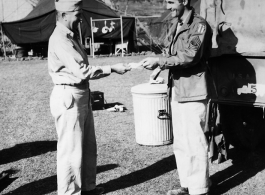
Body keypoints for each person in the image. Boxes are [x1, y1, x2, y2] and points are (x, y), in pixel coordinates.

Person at [48, 0, 130, 194]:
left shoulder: (70, 35)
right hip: (69, 96)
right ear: (64, 15)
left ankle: (87, 187)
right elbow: (82, 71)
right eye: (77, 15)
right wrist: (113, 68)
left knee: (87, 148)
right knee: (71, 151)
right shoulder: (60, 38)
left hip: (81, 94)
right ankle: (69, 192)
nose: (80, 19)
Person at [140, 0, 212, 195]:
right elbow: (170, 52)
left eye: (171, 2)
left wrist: (161, 61)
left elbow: (190, 55)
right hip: (177, 90)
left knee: (195, 142)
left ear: (185, 1)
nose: (167, 7)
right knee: (180, 142)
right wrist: (160, 65)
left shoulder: (199, 25)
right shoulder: (176, 23)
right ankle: (187, 185)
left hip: (193, 91)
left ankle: (199, 189)